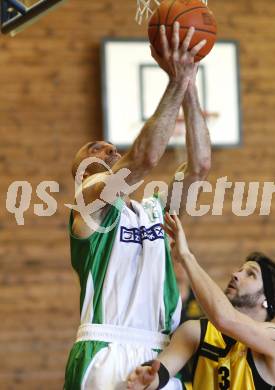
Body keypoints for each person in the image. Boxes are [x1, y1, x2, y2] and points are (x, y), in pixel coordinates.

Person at [64, 22, 211, 390]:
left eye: (112, 148)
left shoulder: (154, 210)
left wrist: (189, 83)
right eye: (95, 148)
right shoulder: (88, 204)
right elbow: (144, 159)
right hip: (106, 348)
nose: (110, 150)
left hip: (161, 355)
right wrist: (175, 80)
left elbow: (200, 167)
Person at [127, 213, 275, 390]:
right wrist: (148, 380)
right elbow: (161, 371)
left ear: (268, 300)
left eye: (250, 274)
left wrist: (186, 256)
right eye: (240, 270)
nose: (236, 275)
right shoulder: (195, 331)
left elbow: (225, 319)